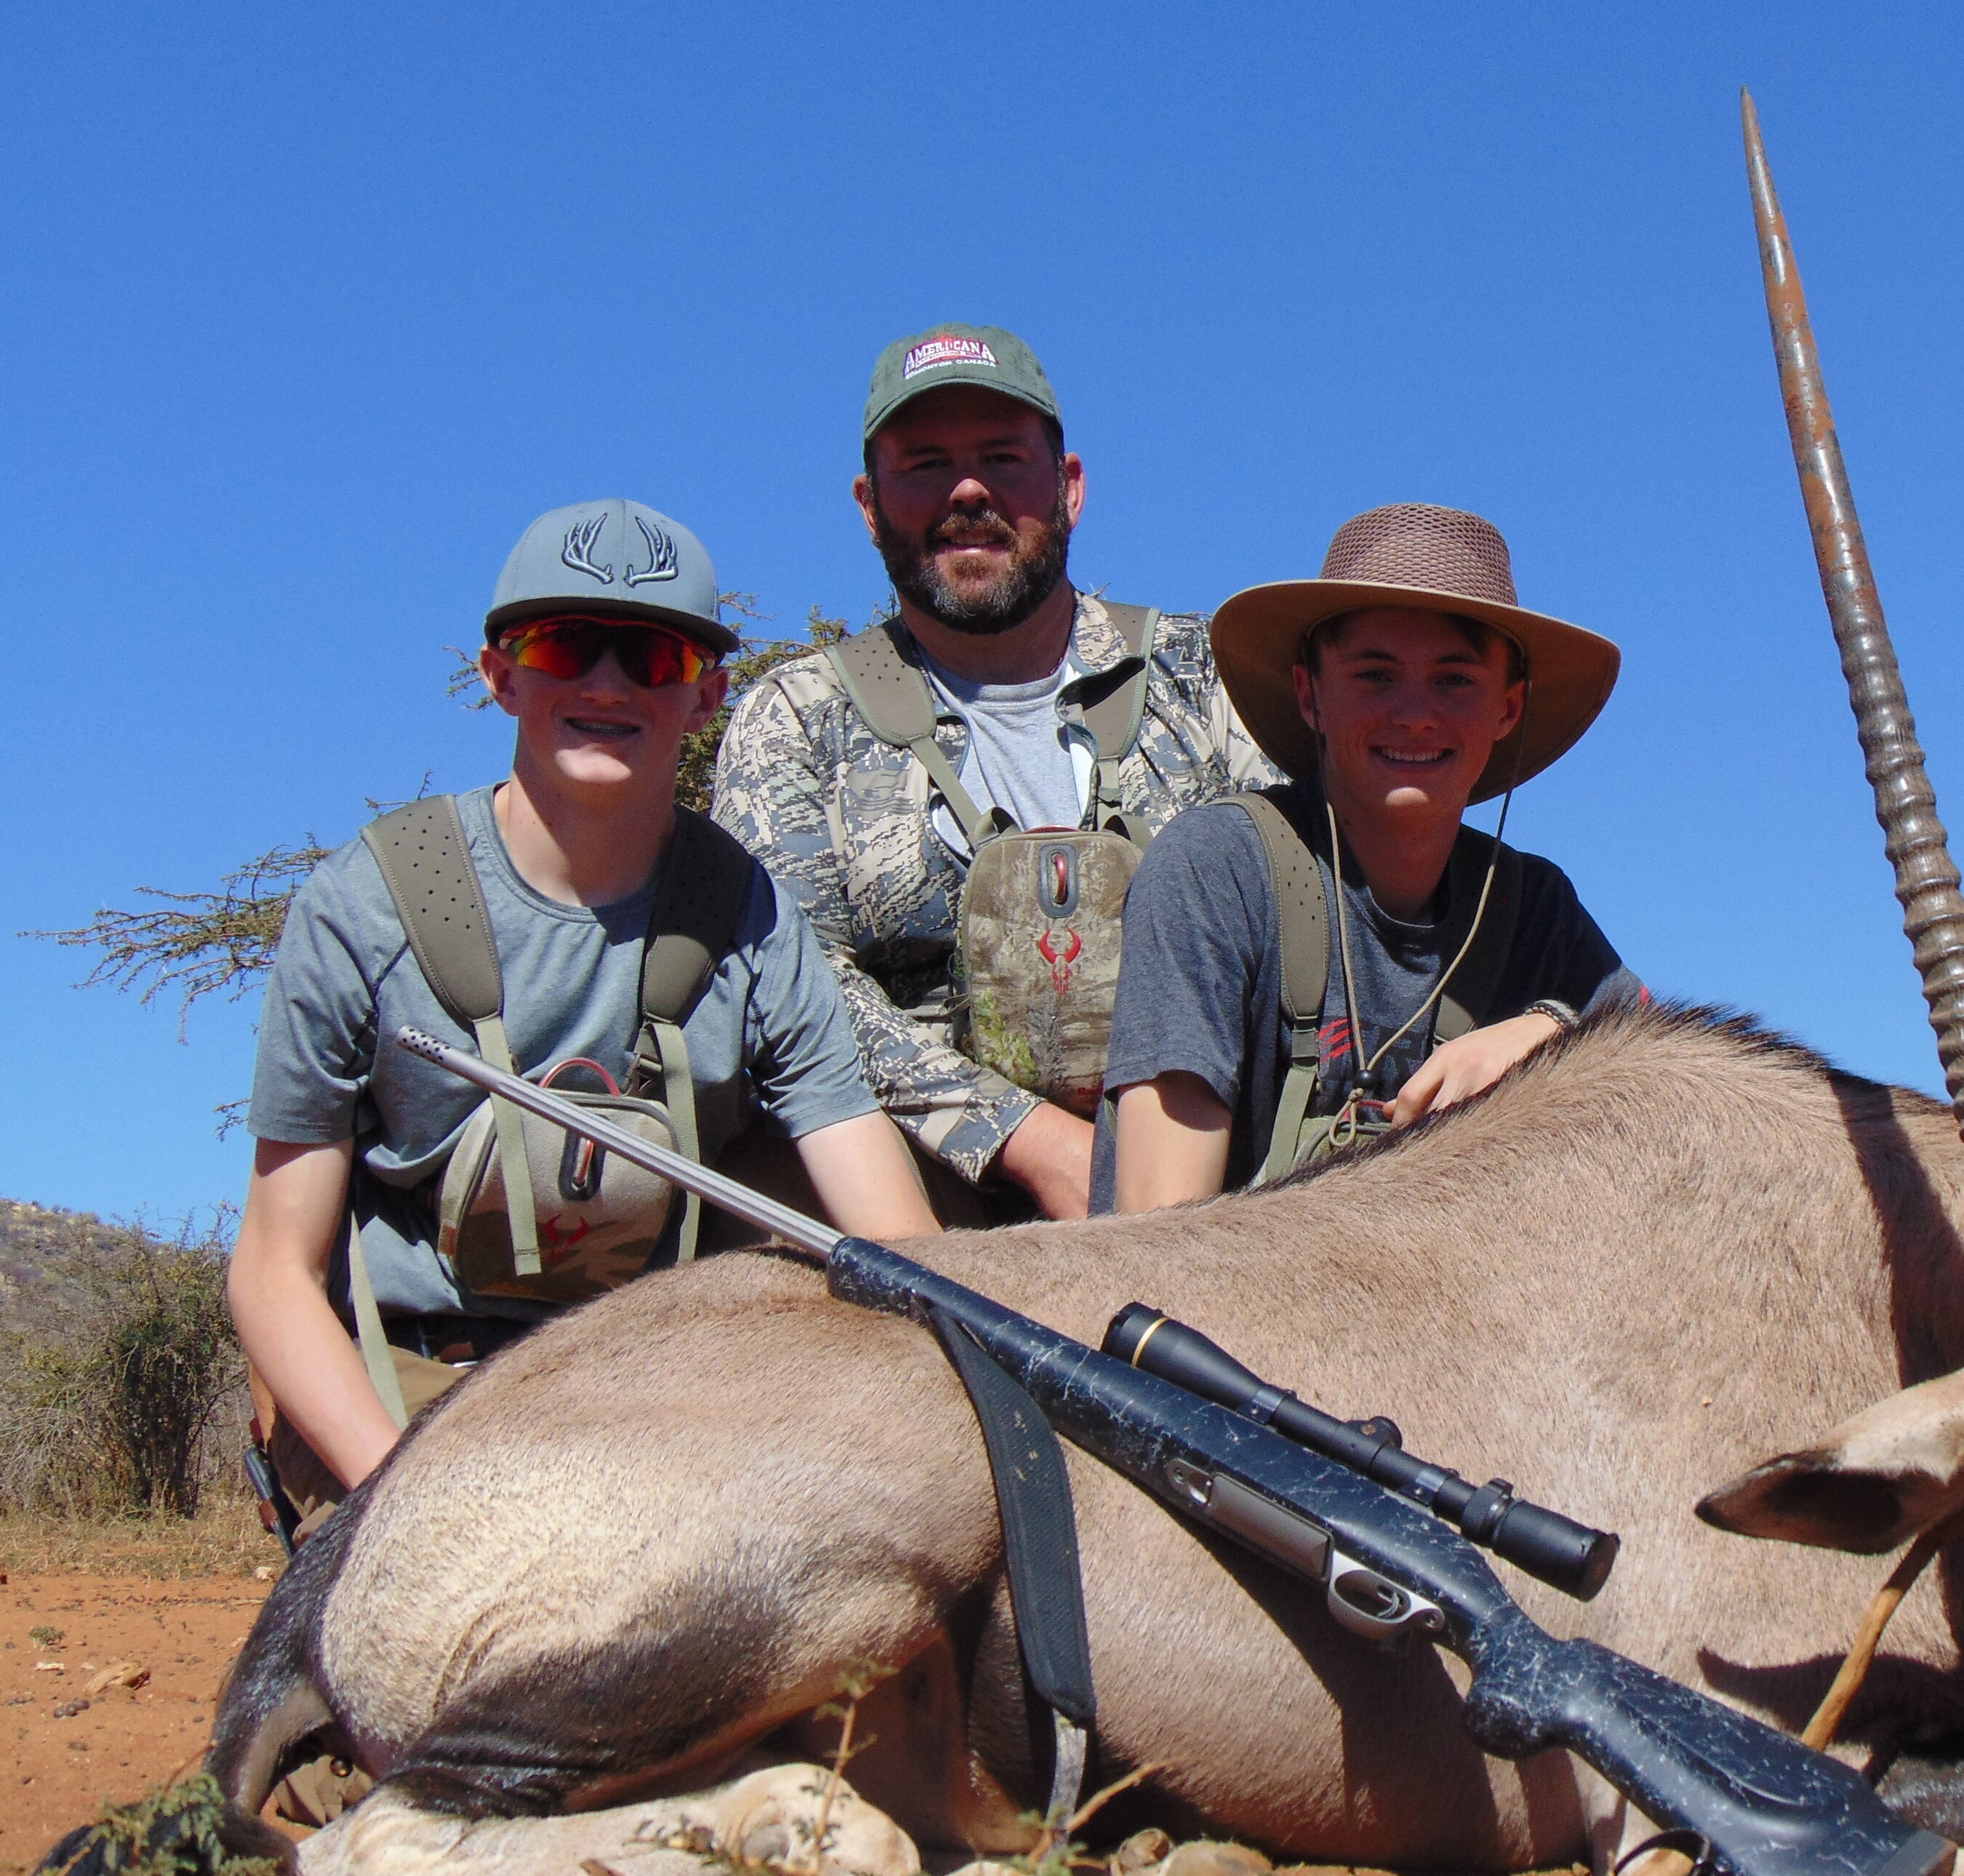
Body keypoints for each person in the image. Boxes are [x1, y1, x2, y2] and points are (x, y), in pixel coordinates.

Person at [230, 499, 939, 1536]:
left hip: (649, 1390)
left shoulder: (751, 917)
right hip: (408, 1389)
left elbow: (888, 1224)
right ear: (500, 674)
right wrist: (398, 1506)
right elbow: (272, 1270)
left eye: (650, 655)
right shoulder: (367, 900)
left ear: (706, 694)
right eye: (565, 645)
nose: (605, 683)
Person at [713, 323, 1274, 1224]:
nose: (967, 490)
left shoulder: (1211, 674)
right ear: (868, 504)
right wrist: (1031, 1142)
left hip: (1220, 1201)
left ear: (1070, 487)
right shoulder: (795, 716)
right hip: (931, 1219)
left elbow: (1315, 917)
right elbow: (790, 988)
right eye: (925, 463)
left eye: (1003, 459)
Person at [1097, 502, 1638, 1212]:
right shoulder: (1216, 871)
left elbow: (1660, 1049)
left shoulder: (1533, 908)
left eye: (1455, 680)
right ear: (1309, 694)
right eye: (1376, 676)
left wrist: (1551, 1032)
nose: (1415, 712)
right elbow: (1156, 1235)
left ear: (1508, 708)